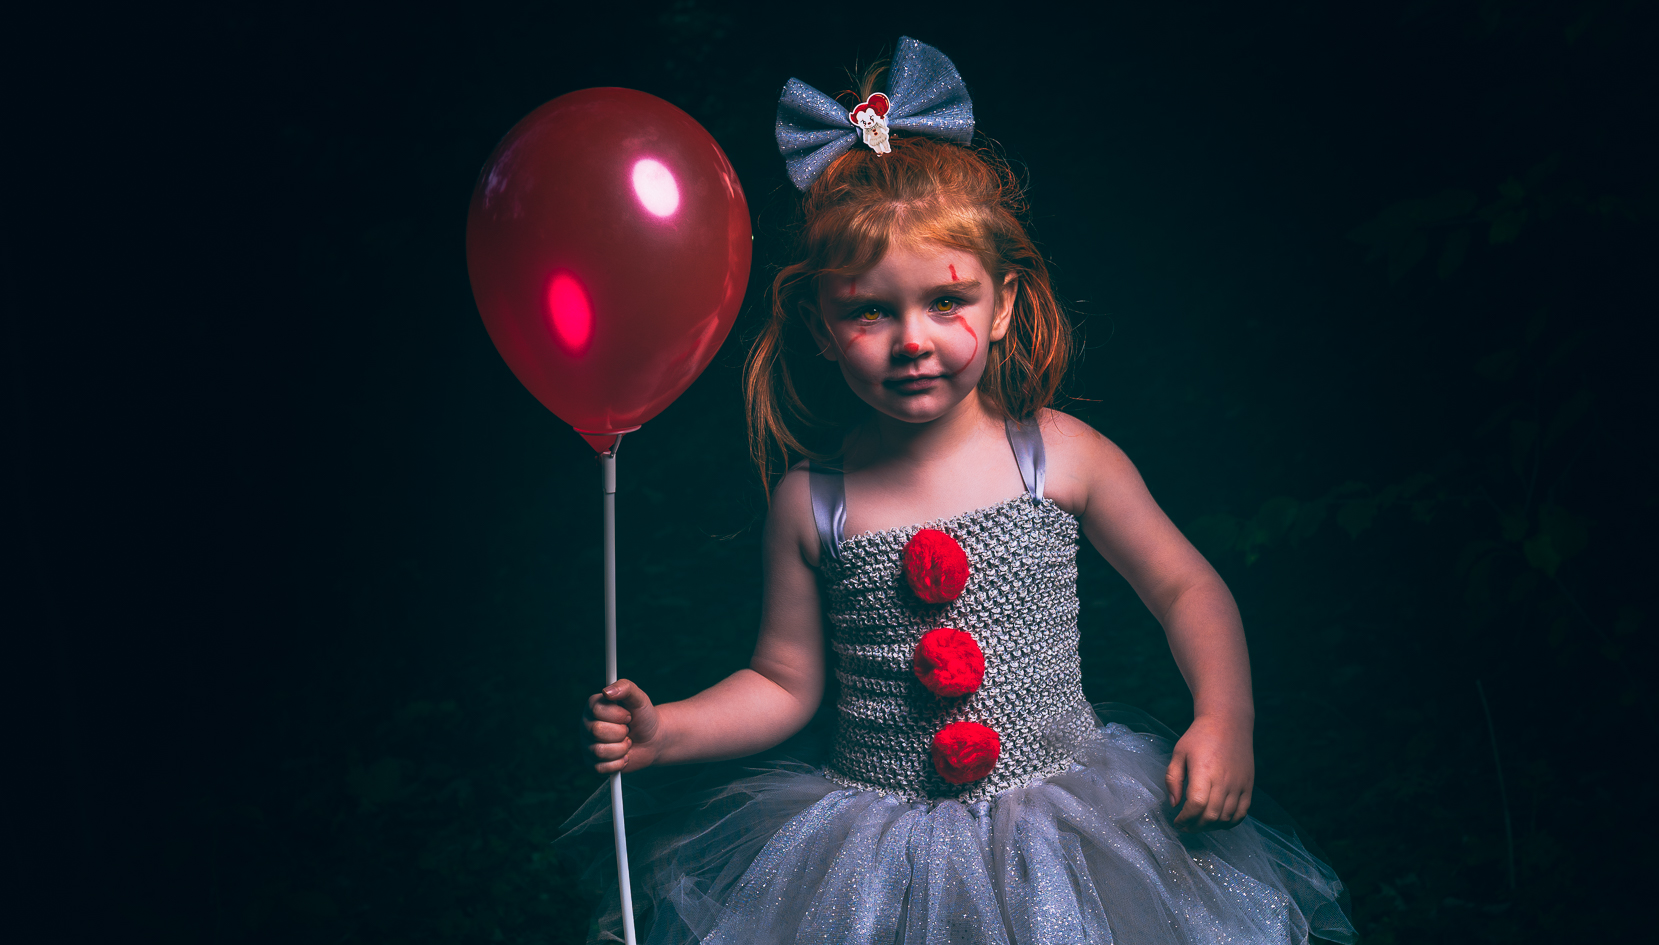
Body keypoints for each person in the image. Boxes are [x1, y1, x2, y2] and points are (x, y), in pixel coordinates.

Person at [568, 37, 1356, 945]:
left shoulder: (1056, 455)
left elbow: (1186, 588)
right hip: (880, 853)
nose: (912, 339)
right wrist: (666, 729)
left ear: (1004, 303)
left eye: (947, 301)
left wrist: (1226, 717)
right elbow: (783, 682)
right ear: (822, 327)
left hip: (1061, 827)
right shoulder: (812, 501)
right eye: (869, 309)